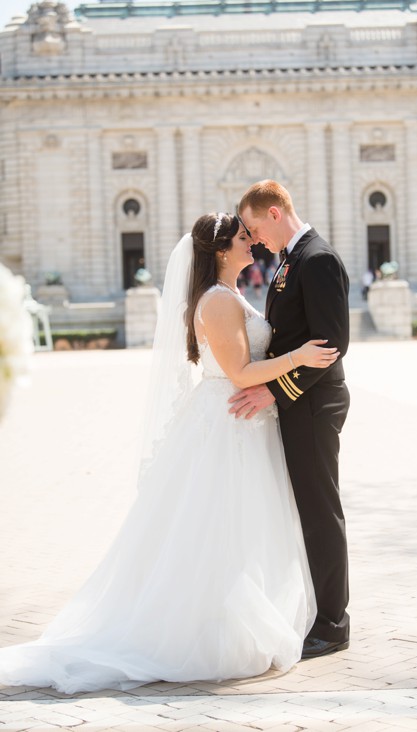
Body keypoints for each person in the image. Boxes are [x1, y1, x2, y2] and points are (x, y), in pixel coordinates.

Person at [0, 213, 339, 693]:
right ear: (222, 250)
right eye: (245, 238)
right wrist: (300, 358)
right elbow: (241, 373)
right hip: (229, 424)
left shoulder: (229, 295)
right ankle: (209, 632)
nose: (254, 243)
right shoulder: (219, 301)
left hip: (242, 422)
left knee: (238, 528)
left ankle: (239, 617)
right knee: (219, 528)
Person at [231, 180, 352, 659]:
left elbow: (330, 344)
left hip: (314, 403)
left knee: (321, 511)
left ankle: (333, 622)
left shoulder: (317, 259)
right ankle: (318, 610)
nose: (255, 239)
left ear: (276, 213)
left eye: (257, 227)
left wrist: (274, 390)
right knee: (306, 509)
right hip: (298, 402)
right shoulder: (291, 260)